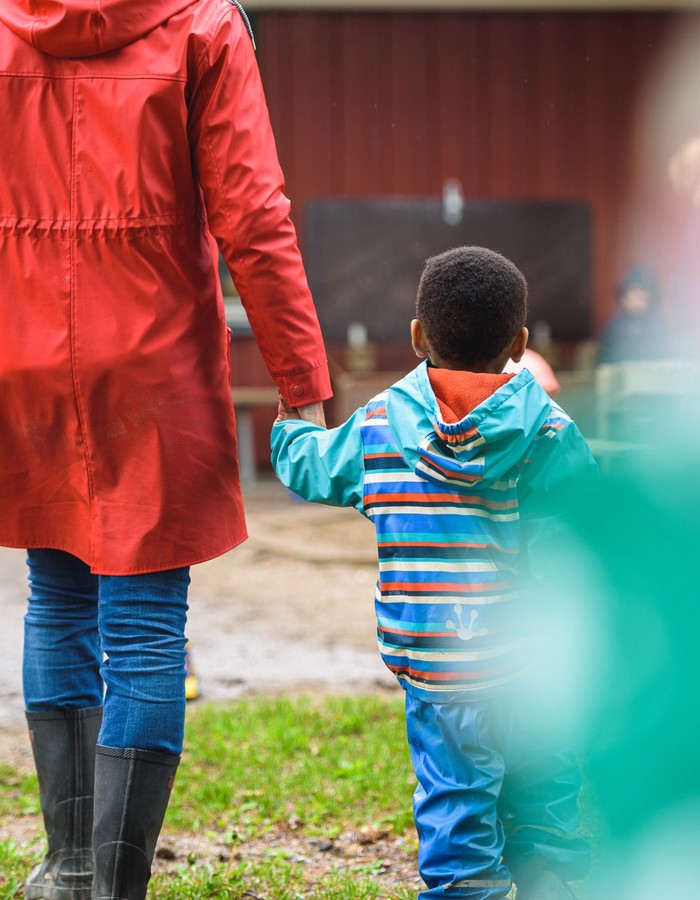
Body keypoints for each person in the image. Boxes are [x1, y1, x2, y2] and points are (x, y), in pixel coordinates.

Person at [0, 2, 330, 899]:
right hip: (151, 367)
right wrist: (300, 377)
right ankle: (113, 886)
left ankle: (68, 867)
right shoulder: (205, 25)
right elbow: (253, 215)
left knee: (56, 595)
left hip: (19, 355)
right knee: (143, 629)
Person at [272, 246, 595, 900]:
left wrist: (290, 431)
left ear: (419, 336)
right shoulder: (550, 433)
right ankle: (550, 879)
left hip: (442, 669)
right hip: (536, 663)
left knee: (456, 800)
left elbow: (314, 468)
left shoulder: (381, 427)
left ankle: (470, 888)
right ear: (520, 343)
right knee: (546, 786)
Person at [597, 267, 667, 364]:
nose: (636, 300)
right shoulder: (613, 328)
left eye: (640, 295)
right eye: (631, 294)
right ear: (623, 298)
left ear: (650, 298)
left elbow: (663, 356)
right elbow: (605, 360)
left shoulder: (658, 327)